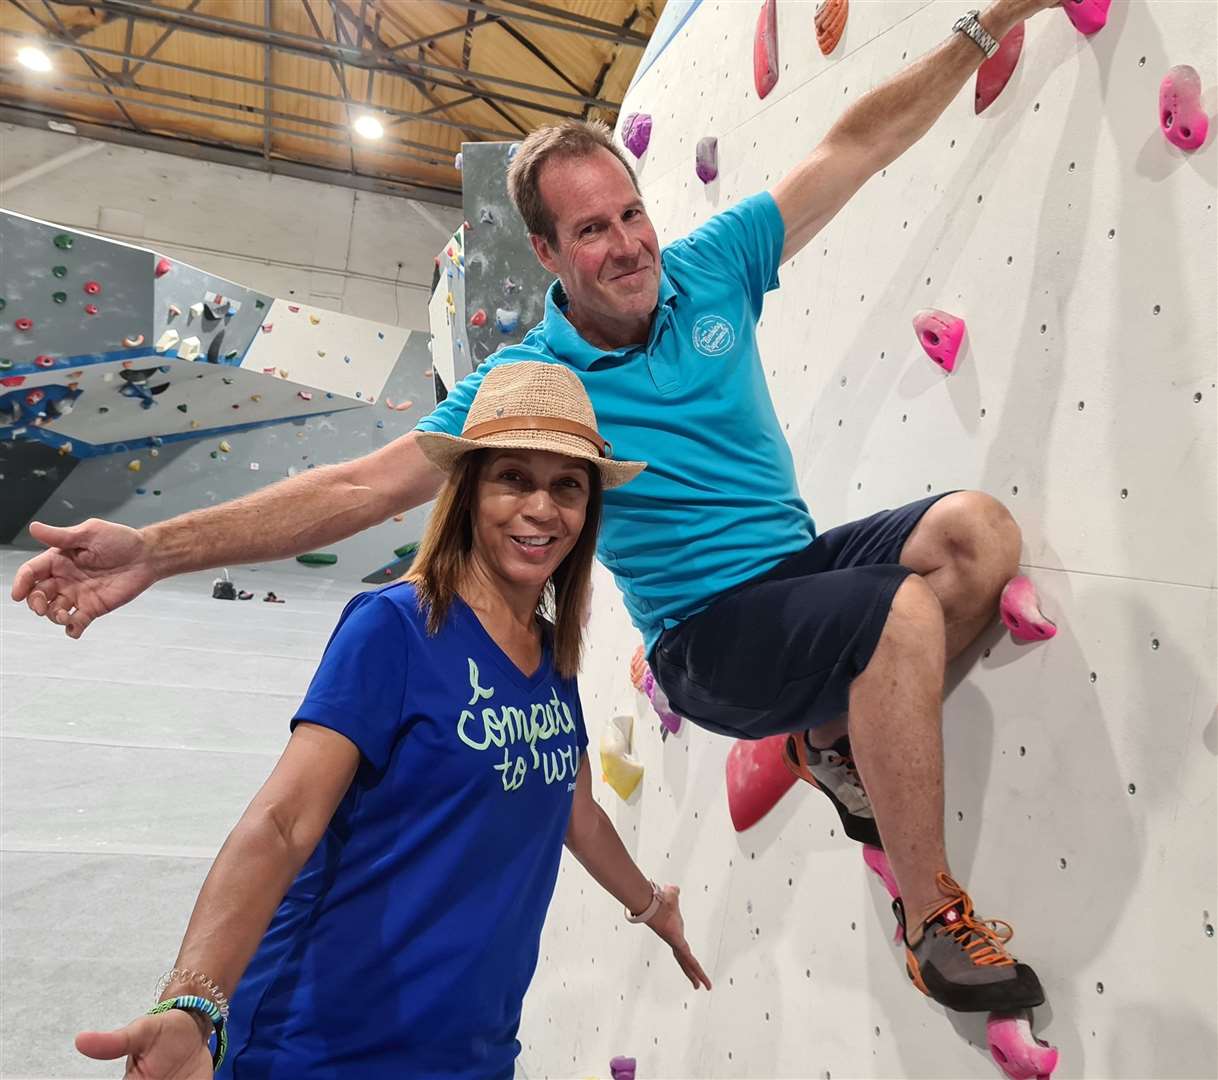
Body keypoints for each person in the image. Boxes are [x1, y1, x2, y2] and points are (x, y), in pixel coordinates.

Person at [19, 0, 1058, 1015]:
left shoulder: (714, 269)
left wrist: (990, 22)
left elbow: (858, 142)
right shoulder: (530, 386)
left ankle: (827, 738)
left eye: (632, 213)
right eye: (592, 231)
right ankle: (932, 923)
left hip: (794, 574)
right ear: (550, 255)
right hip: (707, 637)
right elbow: (357, 486)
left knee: (978, 535)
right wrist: (153, 547)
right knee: (903, 613)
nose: (627, 244)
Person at [72, 362, 710, 1079]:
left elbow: (577, 811)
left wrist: (652, 904)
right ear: (468, 491)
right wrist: (195, 1003)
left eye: (567, 485)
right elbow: (281, 824)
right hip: (321, 1046)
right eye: (513, 478)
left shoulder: (551, 656)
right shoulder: (397, 629)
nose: (542, 508)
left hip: (471, 1054)